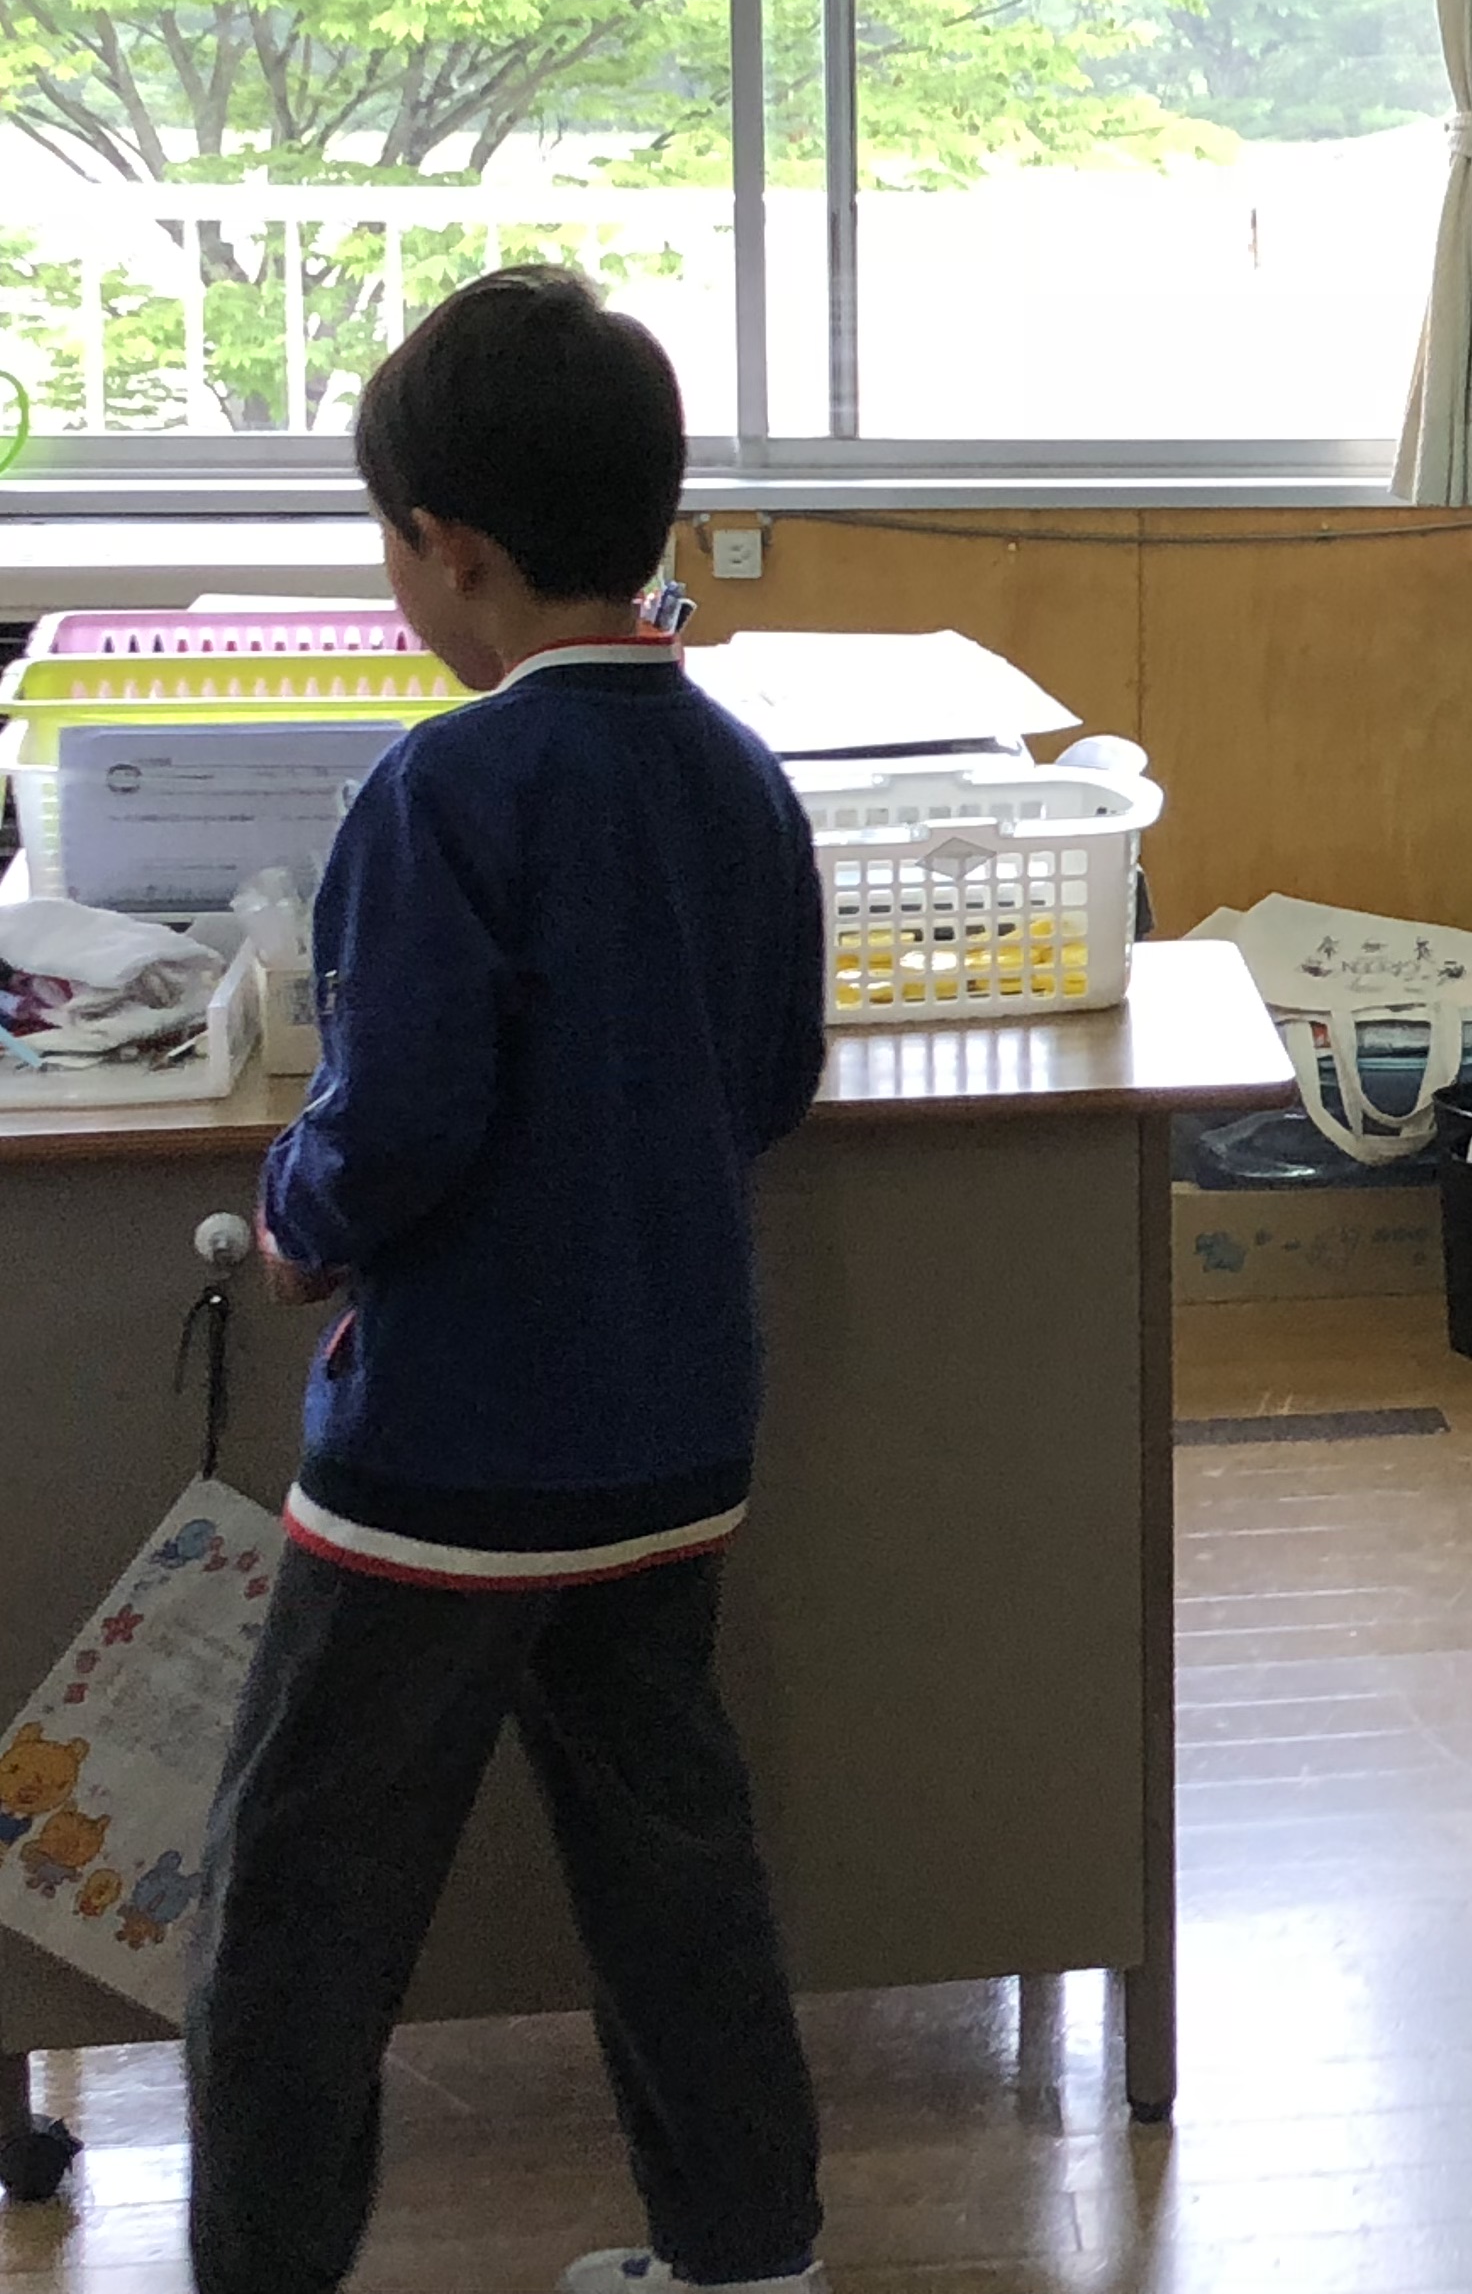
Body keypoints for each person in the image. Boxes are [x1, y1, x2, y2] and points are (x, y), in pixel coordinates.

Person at [187, 268, 837, 2294]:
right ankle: (748, 2255)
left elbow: (391, 1121)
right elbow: (774, 1077)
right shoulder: (738, 774)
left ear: (446, 547)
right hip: (672, 1442)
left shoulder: (442, 788)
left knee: (296, 1902)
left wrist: (296, 1223)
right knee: (671, 1863)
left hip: (445, 1470)